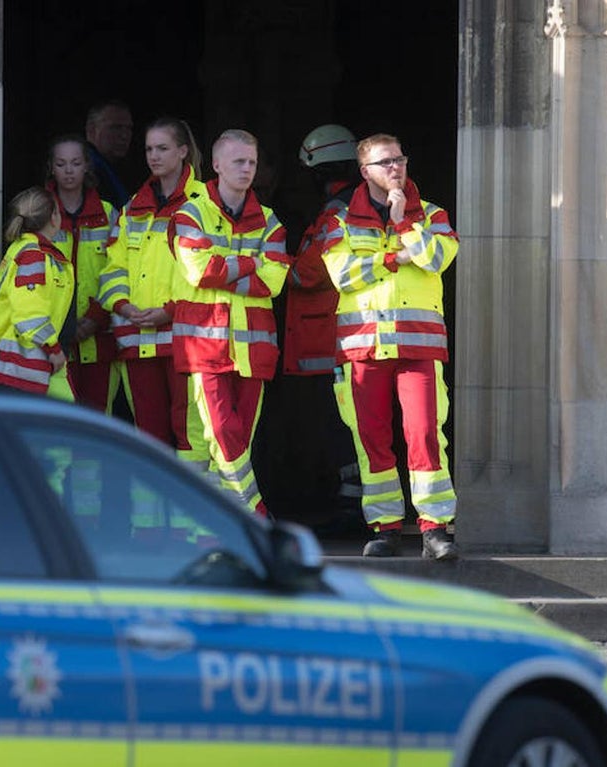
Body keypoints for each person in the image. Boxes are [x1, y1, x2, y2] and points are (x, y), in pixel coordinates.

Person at [321, 133, 460, 560]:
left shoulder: (431, 214)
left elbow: (436, 259)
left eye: (399, 159)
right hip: (363, 347)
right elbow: (343, 275)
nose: (395, 167)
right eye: (385, 162)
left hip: (419, 347)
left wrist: (403, 224)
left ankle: (435, 528)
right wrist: (392, 258)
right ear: (365, 171)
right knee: (372, 441)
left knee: (424, 435)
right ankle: (385, 528)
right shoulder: (340, 221)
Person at [170, 128, 291, 516]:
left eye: (252, 162)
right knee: (223, 434)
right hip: (206, 346)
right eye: (239, 161)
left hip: (254, 350)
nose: (247, 169)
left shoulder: (270, 221)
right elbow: (200, 271)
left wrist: (227, 268)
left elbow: (274, 281)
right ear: (217, 164)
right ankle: (254, 514)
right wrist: (252, 263)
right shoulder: (190, 213)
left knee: (237, 441)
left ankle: (216, 526)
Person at [99, 117, 205, 451]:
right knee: (148, 436)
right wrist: (123, 306)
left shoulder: (204, 203)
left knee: (191, 435)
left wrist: (170, 311)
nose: (154, 156)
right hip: (138, 339)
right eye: (148, 149)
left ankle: (190, 489)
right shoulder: (133, 208)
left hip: (184, 338)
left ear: (183, 151)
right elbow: (113, 268)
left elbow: (208, 273)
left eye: (162, 148)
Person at [282, 124, 364, 526]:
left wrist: (268, 265)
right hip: (331, 335)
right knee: (340, 418)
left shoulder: (338, 212)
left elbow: (310, 273)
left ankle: (353, 499)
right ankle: (352, 494)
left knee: (339, 419)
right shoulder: (349, 206)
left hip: (330, 335)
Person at [45, 135, 119, 413]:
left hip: (99, 337)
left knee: (97, 419)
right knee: (58, 418)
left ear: (87, 166)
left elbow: (118, 271)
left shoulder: (109, 214)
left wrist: (95, 318)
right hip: (54, 339)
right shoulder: (41, 215)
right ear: (51, 167)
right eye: (61, 164)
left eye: (75, 163)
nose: (68, 170)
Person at [0, 186, 75, 401]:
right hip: (22, 369)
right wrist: (53, 349)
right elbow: (29, 314)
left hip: (27, 367)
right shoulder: (32, 256)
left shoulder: (24, 250)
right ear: (53, 217)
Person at [85, 99, 136, 209]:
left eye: (129, 129)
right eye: (115, 128)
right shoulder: (84, 169)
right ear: (92, 130)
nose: (124, 135)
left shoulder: (119, 167)